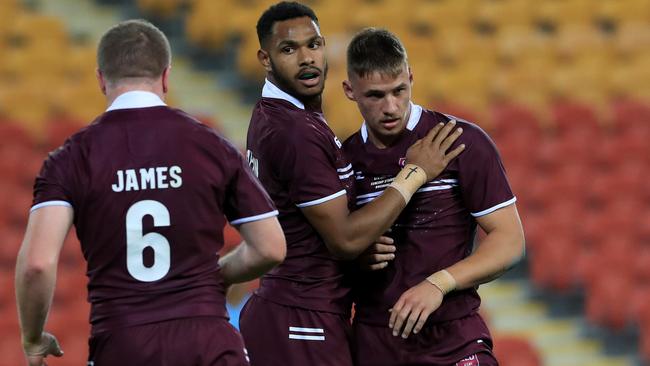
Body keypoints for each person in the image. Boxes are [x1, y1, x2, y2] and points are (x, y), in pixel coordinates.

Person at [15, 19, 286, 366]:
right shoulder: (211, 145)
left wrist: (33, 337)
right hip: (209, 341)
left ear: (101, 79)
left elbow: (36, 265)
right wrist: (211, 277)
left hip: (123, 343)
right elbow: (271, 248)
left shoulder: (71, 158)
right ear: (166, 76)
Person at [239, 2, 465, 366]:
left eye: (313, 45)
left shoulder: (283, 115)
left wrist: (361, 254)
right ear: (265, 59)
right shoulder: (294, 131)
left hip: (297, 312)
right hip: (302, 318)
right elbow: (344, 239)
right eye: (288, 49)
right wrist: (414, 174)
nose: (306, 59)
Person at [341, 28, 526, 366]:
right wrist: (354, 256)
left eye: (399, 90)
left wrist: (439, 283)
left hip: (453, 336)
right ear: (349, 91)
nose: (391, 107)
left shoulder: (459, 142)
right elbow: (324, 251)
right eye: (375, 96)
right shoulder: (342, 160)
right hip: (377, 341)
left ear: (411, 76)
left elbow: (510, 241)